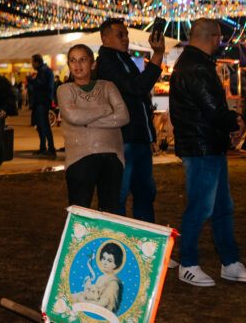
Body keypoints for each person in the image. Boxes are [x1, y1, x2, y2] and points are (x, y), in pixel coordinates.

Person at [169, 18, 246, 286]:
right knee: (200, 207)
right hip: (201, 148)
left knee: (222, 206)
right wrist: (235, 123)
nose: (222, 43)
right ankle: (188, 264)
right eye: (220, 38)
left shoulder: (195, 64)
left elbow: (212, 109)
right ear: (212, 36)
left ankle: (230, 261)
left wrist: (230, 126)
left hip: (208, 146)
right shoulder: (196, 67)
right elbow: (213, 109)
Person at [96, 18, 163, 222]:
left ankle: (142, 244)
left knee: (144, 194)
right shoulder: (108, 62)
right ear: (105, 38)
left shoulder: (122, 59)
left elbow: (138, 92)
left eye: (126, 34)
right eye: (120, 35)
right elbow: (136, 87)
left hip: (137, 138)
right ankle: (121, 245)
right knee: (120, 196)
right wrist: (158, 56)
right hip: (123, 139)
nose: (126, 39)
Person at [57, 45, 129, 212]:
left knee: (110, 212)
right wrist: (105, 110)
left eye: (83, 59)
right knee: (80, 213)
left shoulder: (107, 86)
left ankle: (106, 240)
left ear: (93, 63)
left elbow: (123, 116)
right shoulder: (65, 90)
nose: (77, 64)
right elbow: (73, 117)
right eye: (72, 60)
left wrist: (87, 121)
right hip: (79, 159)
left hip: (112, 157)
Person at [74, 241, 124, 314]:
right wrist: (87, 289)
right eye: (103, 258)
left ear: (116, 264)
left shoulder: (113, 283)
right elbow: (94, 297)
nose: (104, 262)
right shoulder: (100, 278)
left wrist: (83, 301)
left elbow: (101, 304)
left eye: (109, 261)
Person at [30, 54, 56, 157]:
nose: (32, 65)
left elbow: (40, 84)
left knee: (44, 125)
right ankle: (43, 148)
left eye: (32, 62)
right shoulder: (44, 70)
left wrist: (31, 80)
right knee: (41, 126)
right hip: (42, 101)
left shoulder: (43, 71)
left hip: (42, 101)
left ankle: (51, 149)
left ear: (37, 62)